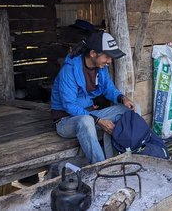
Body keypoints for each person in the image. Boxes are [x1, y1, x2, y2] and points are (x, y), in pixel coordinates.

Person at [51, 30, 138, 164]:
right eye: (107, 56)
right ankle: (101, 168)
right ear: (93, 54)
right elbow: (69, 105)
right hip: (66, 121)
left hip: (91, 115)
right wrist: (98, 120)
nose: (109, 61)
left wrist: (122, 98)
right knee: (86, 121)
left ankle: (117, 160)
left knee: (131, 109)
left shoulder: (101, 67)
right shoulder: (69, 70)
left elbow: (108, 88)